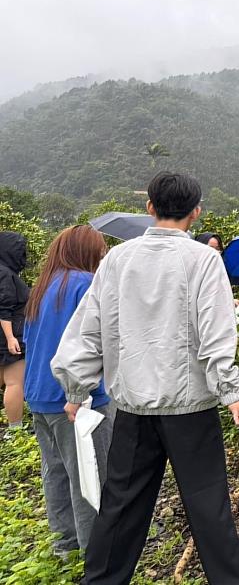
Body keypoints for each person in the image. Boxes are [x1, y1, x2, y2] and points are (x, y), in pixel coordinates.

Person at [51, 172, 239, 585]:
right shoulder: (203, 259)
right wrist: (231, 392)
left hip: (132, 407)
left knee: (121, 507)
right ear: (196, 212)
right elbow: (216, 331)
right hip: (190, 409)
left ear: (149, 208)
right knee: (207, 504)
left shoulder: (117, 260)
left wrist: (76, 389)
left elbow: (88, 329)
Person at [23, 225, 114, 555]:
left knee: (56, 473)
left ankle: (65, 546)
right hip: (77, 399)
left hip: (39, 395)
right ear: (87, 252)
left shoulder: (44, 286)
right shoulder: (85, 284)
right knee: (88, 475)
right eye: (100, 251)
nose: (102, 257)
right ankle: (97, 552)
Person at [0, 231, 29, 437]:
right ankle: (15, 430)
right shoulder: (5, 274)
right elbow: (4, 307)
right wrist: (11, 338)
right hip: (10, 336)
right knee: (14, 382)